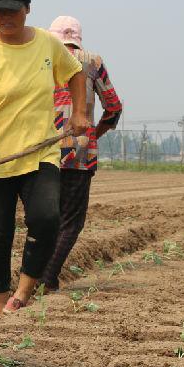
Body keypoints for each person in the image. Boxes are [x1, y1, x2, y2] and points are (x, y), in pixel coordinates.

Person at [0, 0, 88, 319]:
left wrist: (80, 112)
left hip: (39, 154)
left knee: (47, 219)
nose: (5, 18)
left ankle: (23, 291)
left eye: (12, 10)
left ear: (27, 9)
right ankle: (0, 304)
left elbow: (75, 73)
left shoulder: (46, 43)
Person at [41, 15, 123, 291]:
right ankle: (47, 277)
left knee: (43, 217)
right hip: (78, 152)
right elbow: (113, 107)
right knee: (70, 221)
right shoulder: (92, 61)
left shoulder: (41, 55)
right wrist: (93, 134)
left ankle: (35, 275)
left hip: (40, 150)